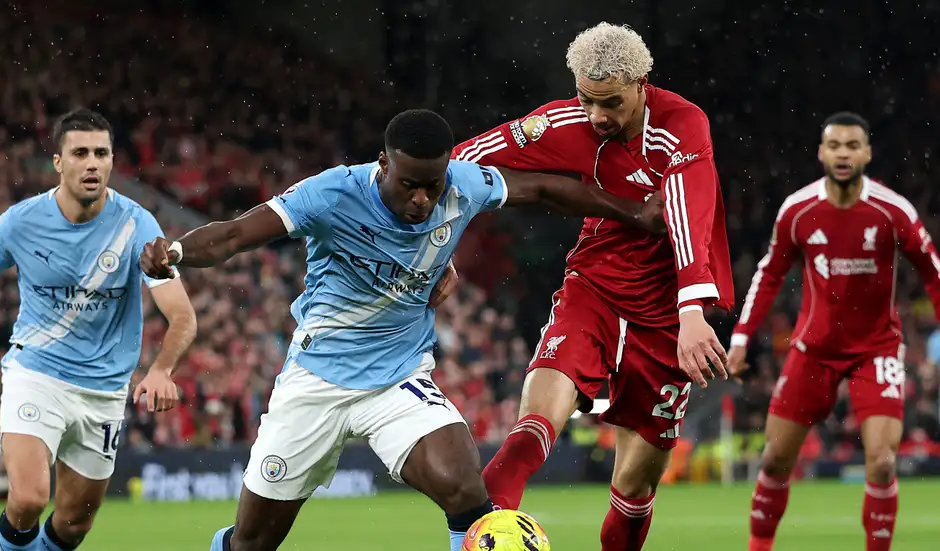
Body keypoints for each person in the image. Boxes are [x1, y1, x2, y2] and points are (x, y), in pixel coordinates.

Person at [138, 109, 664, 551]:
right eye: (408, 185)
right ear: (384, 163)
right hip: (315, 383)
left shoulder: (463, 185)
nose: (420, 200)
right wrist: (177, 251)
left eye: (431, 188)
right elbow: (233, 235)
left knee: (466, 491)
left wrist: (632, 214)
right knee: (252, 543)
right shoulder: (332, 194)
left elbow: (545, 188)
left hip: (398, 381)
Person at [452, 22, 734, 551]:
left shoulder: (681, 123)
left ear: (642, 83)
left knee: (635, 486)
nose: (598, 115)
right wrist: (427, 239)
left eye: (611, 102)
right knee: (531, 429)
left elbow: (687, 211)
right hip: (595, 287)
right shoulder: (563, 122)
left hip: (666, 312)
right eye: (587, 99)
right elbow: (462, 161)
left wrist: (693, 310)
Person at [0, 108, 197, 551]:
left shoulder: (138, 227)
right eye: (80, 153)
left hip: (103, 391)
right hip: (36, 375)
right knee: (30, 498)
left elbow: (182, 315)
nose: (92, 163)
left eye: (101, 153)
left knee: (73, 525)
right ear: (58, 162)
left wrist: (163, 369)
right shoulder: (21, 221)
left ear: (112, 161)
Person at [727, 112, 940, 551]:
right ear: (822, 153)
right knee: (776, 458)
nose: (843, 153)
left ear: (866, 153)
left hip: (876, 349)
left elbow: (932, 273)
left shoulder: (892, 210)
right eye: (835, 145)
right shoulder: (798, 210)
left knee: (881, 462)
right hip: (814, 349)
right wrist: (741, 338)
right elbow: (769, 274)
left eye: (852, 145)